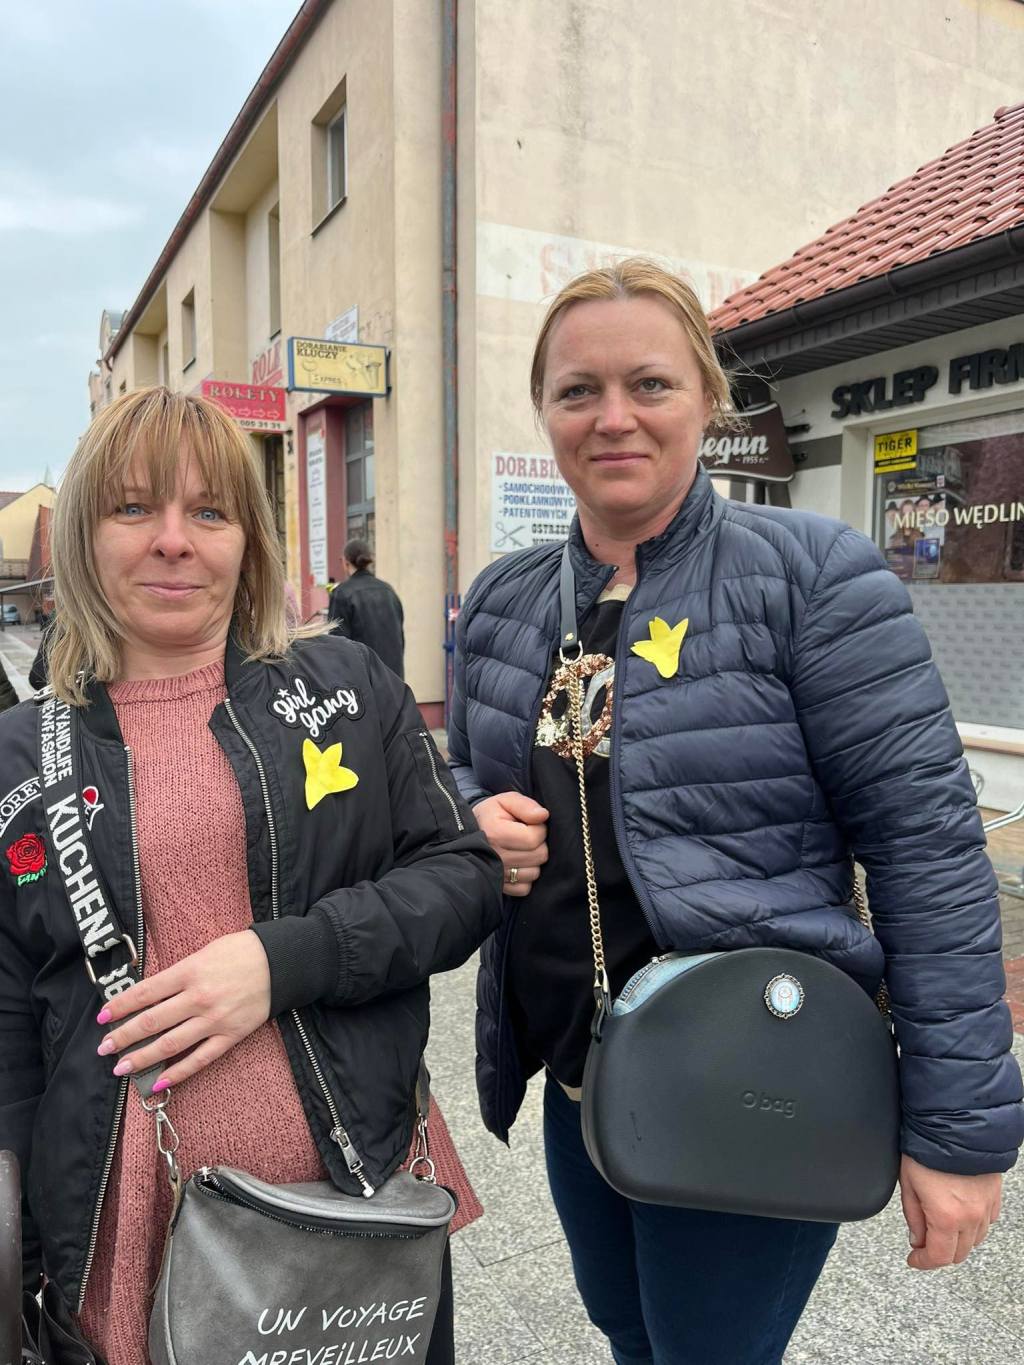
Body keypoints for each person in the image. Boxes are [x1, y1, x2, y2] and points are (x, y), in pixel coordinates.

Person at [448, 259, 1023, 1365]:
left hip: (756, 1069)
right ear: (544, 411)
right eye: (578, 391)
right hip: (584, 1067)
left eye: (650, 384)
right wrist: (475, 818)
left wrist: (957, 1130)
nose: (613, 417)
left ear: (708, 400)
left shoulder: (812, 577)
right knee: (625, 1329)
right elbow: (463, 778)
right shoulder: (505, 602)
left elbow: (927, 851)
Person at [0, 388, 503, 1364]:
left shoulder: (349, 688)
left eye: (209, 510)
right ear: (85, 537)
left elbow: (463, 875)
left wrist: (286, 960)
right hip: (121, 1235)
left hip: (350, 1218)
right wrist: (20, 1257)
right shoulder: (21, 752)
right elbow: (12, 1018)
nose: (173, 540)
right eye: (134, 507)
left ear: (249, 540)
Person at [328, 539, 405, 678]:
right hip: (393, 679)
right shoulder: (388, 590)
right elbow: (400, 639)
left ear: (346, 562)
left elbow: (337, 646)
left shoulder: (342, 593)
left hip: (362, 680)